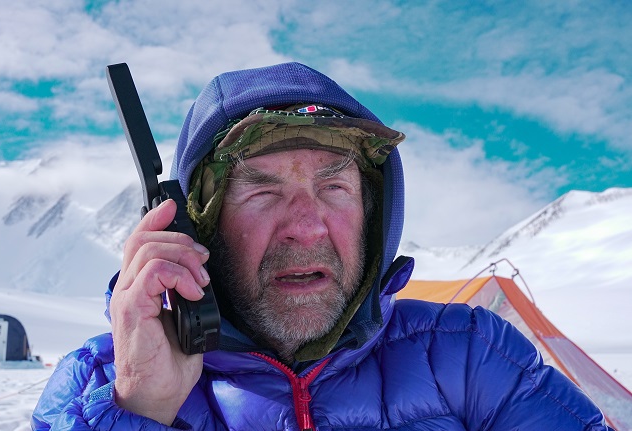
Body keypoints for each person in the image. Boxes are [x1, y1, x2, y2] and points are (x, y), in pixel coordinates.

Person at [32, 62, 613, 430]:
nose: (306, 226)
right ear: (197, 226)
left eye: (334, 187)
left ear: (374, 213)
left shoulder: (470, 354)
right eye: (261, 191)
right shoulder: (98, 386)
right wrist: (140, 409)